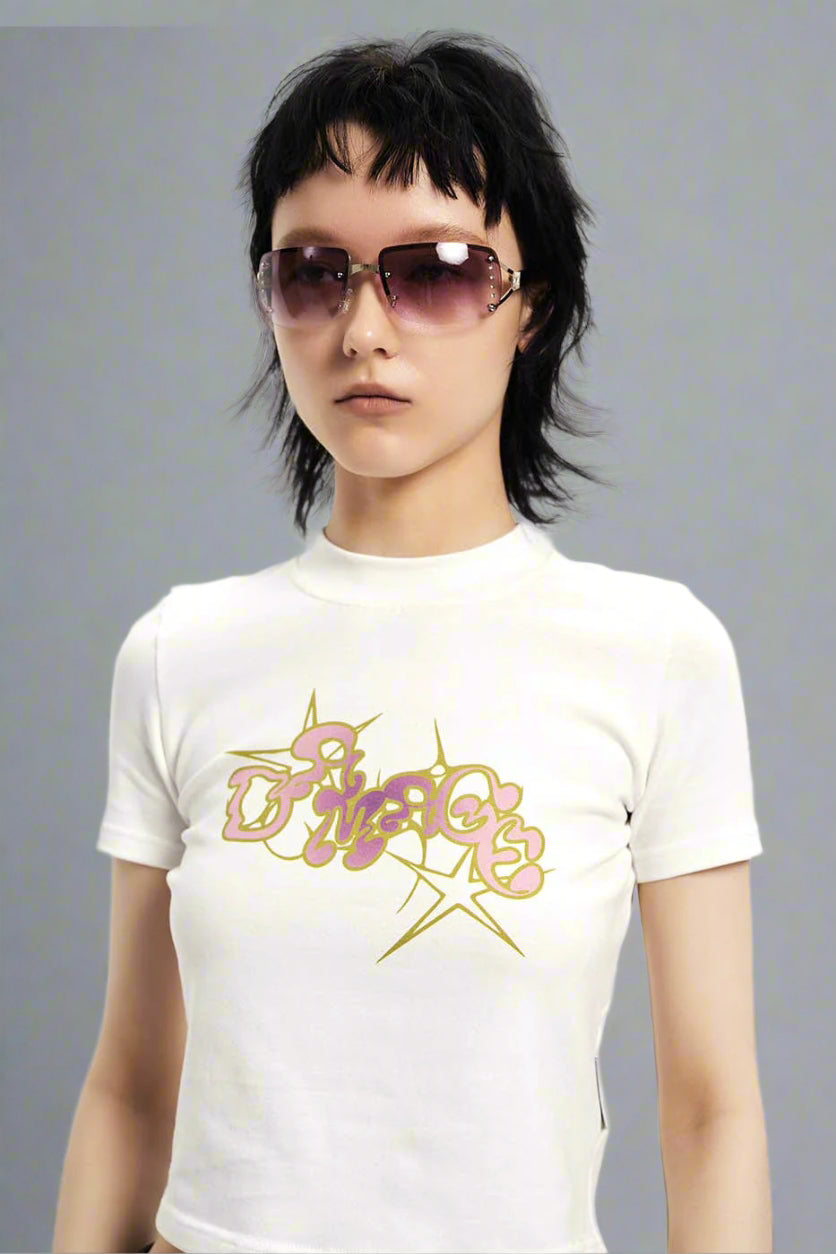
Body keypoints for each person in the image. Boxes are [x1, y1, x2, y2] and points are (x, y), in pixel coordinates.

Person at [53, 29, 770, 1254]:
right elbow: (128, 1088)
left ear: (532, 305)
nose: (363, 329)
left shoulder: (654, 654)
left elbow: (709, 1114)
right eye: (312, 273)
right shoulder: (179, 653)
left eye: (433, 271)